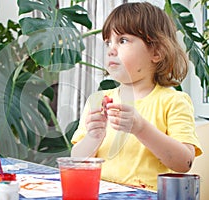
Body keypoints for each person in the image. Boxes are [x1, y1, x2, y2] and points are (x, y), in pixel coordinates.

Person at [70, 2, 203, 191]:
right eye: (108, 42)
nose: (111, 49)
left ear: (156, 52)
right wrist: (93, 136)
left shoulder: (173, 101)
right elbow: (76, 160)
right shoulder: (97, 101)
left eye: (122, 40)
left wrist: (141, 129)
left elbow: (184, 163)